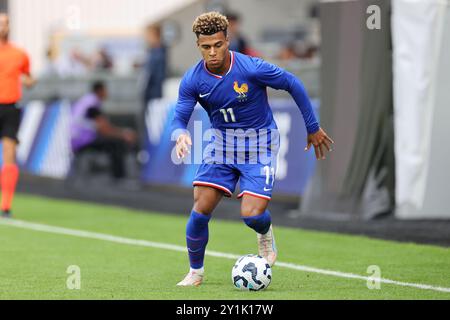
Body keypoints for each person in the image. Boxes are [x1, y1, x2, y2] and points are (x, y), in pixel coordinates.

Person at [172, 12, 334, 286]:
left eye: (218, 45)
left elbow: (293, 83)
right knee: (200, 209)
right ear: (198, 45)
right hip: (222, 145)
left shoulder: (251, 68)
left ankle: (265, 233)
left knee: (252, 215)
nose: (212, 52)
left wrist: (312, 126)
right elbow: (180, 116)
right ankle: (195, 272)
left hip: (259, 144)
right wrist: (179, 135)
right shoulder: (193, 79)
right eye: (205, 47)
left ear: (227, 40)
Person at [0, 13, 35, 218]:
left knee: (9, 153)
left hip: (10, 108)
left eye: (5, 23)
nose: (3, 27)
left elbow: (28, 76)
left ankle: (6, 206)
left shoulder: (20, 54)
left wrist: (30, 82)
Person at [70, 81, 137, 181]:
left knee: (113, 141)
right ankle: (119, 179)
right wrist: (124, 134)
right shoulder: (93, 104)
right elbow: (104, 130)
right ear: (100, 91)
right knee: (117, 144)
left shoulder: (85, 100)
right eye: (105, 90)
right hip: (83, 141)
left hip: (74, 139)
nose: (107, 93)